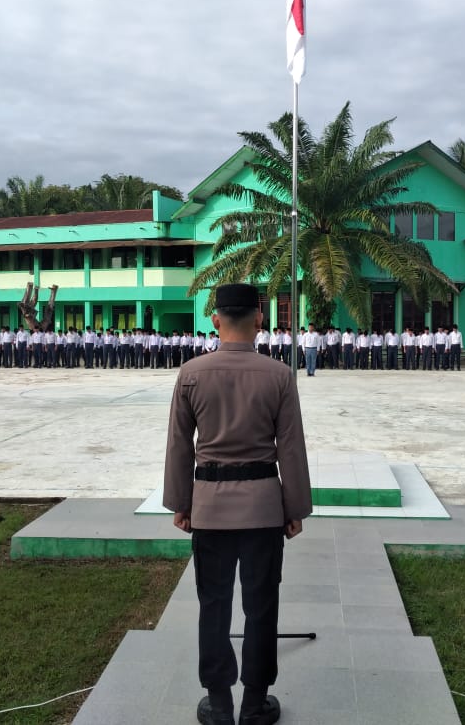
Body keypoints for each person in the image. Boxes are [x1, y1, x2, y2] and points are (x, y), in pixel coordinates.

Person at [164, 283, 312, 725]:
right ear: (259, 319)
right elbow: (291, 449)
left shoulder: (191, 373)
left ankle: (218, 704)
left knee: (213, 605)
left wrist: (181, 503)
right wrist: (294, 508)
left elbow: (179, 446)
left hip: (209, 509)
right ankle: (254, 704)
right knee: (261, 607)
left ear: (215, 320)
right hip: (263, 509)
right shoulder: (278, 375)